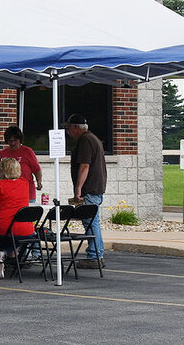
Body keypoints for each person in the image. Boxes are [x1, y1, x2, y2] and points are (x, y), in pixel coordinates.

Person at [66, 113, 107, 268]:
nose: (68, 132)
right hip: (96, 188)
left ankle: (94, 256)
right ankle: (97, 253)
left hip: (89, 189)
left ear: (76, 128)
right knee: (93, 222)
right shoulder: (93, 139)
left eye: (69, 128)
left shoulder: (85, 140)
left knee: (91, 223)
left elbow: (85, 166)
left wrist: (78, 189)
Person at [0, 157, 32, 279]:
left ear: (2, 170)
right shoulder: (25, 183)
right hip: (25, 228)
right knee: (16, 237)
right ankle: (6, 253)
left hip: (4, 226)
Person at [0, 126, 43, 203]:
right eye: (10, 141)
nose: (12, 143)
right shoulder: (3, 153)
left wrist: (39, 181)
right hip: (8, 194)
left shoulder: (27, 151)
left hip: (27, 193)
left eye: (15, 140)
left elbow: (36, 169)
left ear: (20, 140)